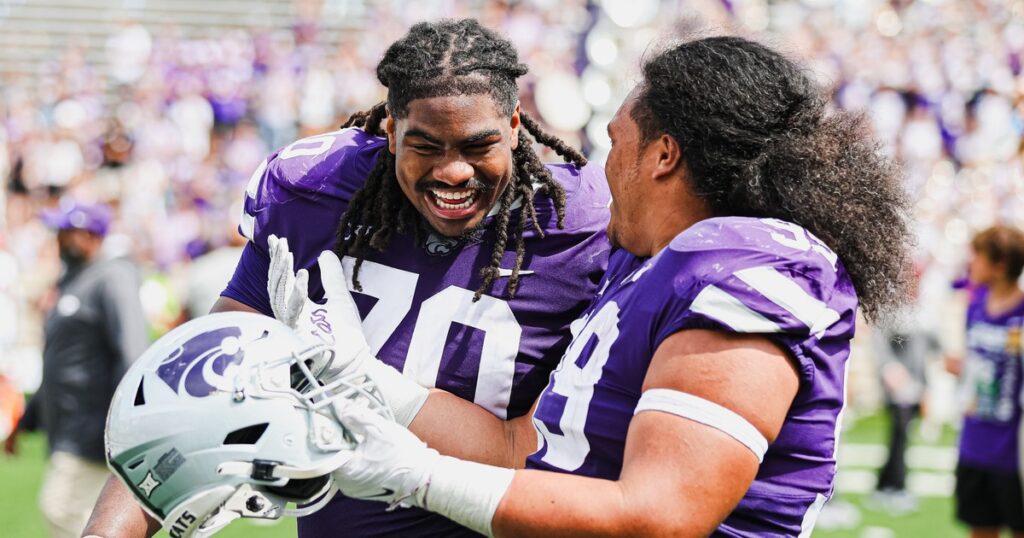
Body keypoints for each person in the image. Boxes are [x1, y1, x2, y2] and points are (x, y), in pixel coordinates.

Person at [301, 35, 912, 537]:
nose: (603, 166)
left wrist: (419, 477)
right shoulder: (643, 266)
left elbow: (661, 515)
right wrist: (367, 379)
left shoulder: (744, 263)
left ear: (663, 155)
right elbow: (519, 448)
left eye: (617, 141)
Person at [83, 18, 611, 538]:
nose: (453, 171)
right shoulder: (315, 194)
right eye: (425, 146)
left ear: (516, 125)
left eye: (478, 146)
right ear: (390, 130)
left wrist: (362, 378)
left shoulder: (585, 225)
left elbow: (531, 452)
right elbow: (194, 398)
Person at [5, 201, 148, 538]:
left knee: (65, 509)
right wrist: (25, 423)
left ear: (89, 235)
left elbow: (132, 352)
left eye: (67, 232)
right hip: (68, 428)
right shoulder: (74, 281)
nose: (58, 239)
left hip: (94, 430)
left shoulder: (112, 278)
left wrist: (126, 424)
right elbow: (59, 363)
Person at [952, 225, 1024, 538]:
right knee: (980, 529)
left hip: (1013, 452)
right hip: (974, 443)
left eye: (979, 257)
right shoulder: (976, 306)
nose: (973, 264)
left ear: (1001, 265)